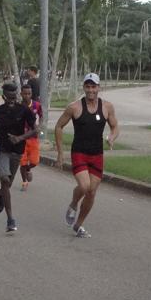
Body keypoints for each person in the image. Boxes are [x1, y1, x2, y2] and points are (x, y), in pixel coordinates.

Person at [55, 73, 119, 238]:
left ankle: (79, 225)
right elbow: (59, 126)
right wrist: (60, 153)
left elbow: (115, 126)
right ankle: (73, 204)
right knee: (84, 186)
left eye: (94, 86)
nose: (91, 90)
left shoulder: (107, 107)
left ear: (98, 87)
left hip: (97, 154)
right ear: (84, 87)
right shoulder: (74, 107)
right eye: (88, 86)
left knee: (91, 192)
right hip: (80, 153)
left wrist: (112, 137)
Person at [0, 83, 38, 233]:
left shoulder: (24, 110)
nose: (12, 100)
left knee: (8, 185)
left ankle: (1, 194)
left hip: (17, 151)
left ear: (16, 96)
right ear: (4, 96)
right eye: (9, 97)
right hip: (2, 150)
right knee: (5, 180)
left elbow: (35, 130)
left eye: (14, 97)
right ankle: (10, 220)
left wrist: (20, 138)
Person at [19, 84, 43, 191]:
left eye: (29, 93)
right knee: (22, 162)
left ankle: (28, 169)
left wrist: (38, 126)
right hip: (22, 138)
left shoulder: (37, 105)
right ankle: (24, 182)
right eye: (25, 93)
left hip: (33, 137)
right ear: (21, 94)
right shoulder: (18, 106)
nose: (27, 96)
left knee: (35, 161)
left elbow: (41, 117)